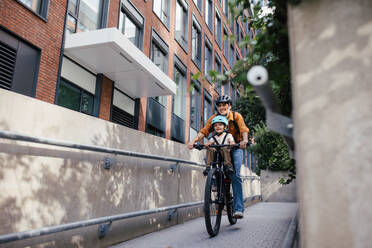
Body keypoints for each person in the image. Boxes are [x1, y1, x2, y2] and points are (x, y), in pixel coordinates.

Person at [188, 95, 249, 219]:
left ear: (229, 106)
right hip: (219, 147)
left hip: (235, 147)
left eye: (224, 105)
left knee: (235, 175)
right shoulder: (214, 118)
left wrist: (244, 141)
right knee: (209, 154)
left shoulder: (236, 116)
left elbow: (243, 129)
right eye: (219, 105)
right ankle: (214, 179)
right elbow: (204, 131)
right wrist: (193, 141)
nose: (221, 107)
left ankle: (238, 209)